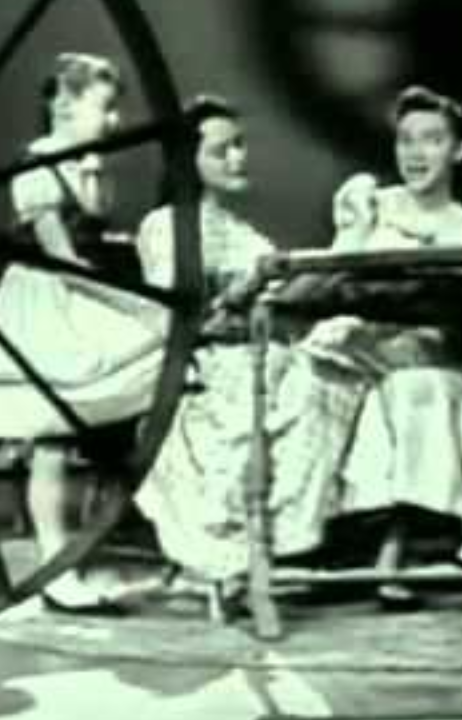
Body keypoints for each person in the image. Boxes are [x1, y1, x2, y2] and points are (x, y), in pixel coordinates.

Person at [133, 96, 371, 594]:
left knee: (338, 357)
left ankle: (278, 542)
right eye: (222, 150)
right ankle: (232, 551)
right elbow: (175, 313)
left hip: (266, 350)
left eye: (240, 145)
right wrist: (241, 300)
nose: (238, 158)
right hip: (210, 363)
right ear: (189, 161)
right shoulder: (167, 226)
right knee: (259, 398)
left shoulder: (244, 232)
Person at [0, 53, 169, 611]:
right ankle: (55, 567)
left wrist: (94, 168)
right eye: (105, 108)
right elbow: (63, 261)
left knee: (151, 376)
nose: (115, 121)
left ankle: (148, 528)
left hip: (82, 292)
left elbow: (94, 224)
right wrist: (140, 308)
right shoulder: (37, 169)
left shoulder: (85, 164)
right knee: (51, 441)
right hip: (48, 298)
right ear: (64, 105)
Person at [314, 86, 462, 607]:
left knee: (421, 386)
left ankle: (396, 550)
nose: (415, 153)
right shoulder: (370, 205)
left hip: (430, 360)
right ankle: (305, 541)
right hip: (359, 352)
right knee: (311, 377)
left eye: (431, 140)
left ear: (459, 150)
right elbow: (332, 276)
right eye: (405, 140)